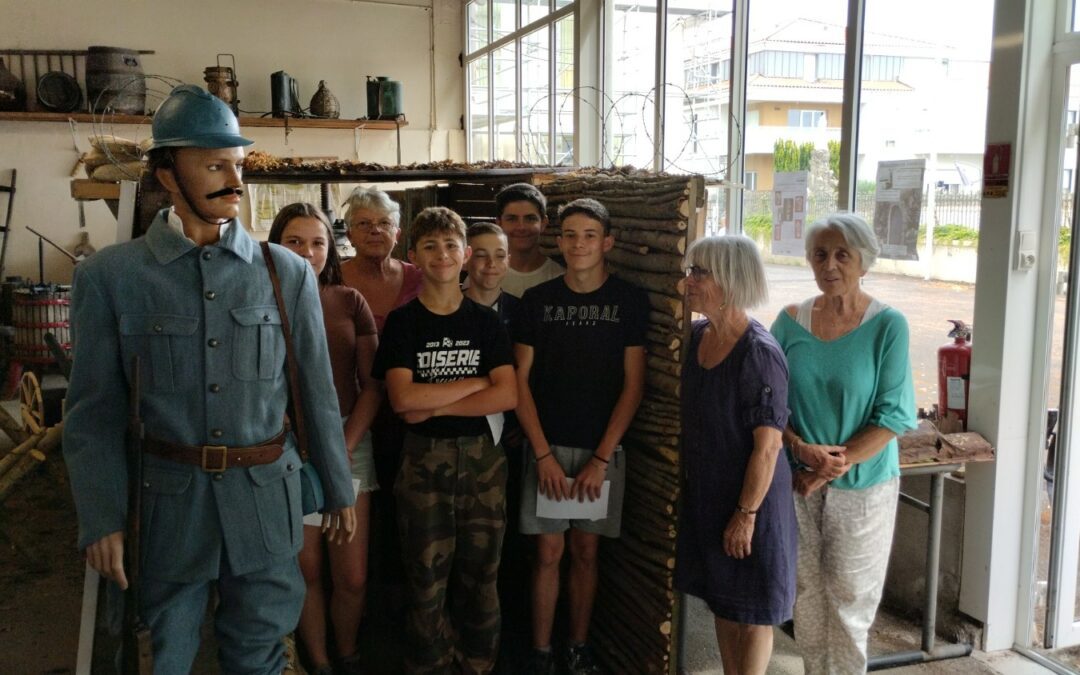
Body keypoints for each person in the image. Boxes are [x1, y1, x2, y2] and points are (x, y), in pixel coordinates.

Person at [62, 84, 355, 672]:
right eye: (214, 164)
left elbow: (316, 393)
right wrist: (101, 516)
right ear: (168, 173)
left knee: (261, 652)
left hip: (266, 504)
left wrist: (339, 488)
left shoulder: (286, 272)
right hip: (167, 509)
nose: (234, 180)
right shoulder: (110, 277)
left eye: (238, 164)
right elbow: (93, 412)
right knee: (166, 655)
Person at [372, 206, 518, 674]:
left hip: (484, 463)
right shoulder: (402, 323)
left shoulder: (486, 322)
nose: (442, 254)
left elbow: (508, 393)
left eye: (451, 245)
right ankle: (430, 662)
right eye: (430, 246)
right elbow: (400, 399)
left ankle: (478, 661)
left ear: (466, 255)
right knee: (425, 577)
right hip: (422, 463)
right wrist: (475, 385)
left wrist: (432, 403)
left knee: (482, 575)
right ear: (413, 254)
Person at [770, 213, 917, 674]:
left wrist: (832, 465)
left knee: (851, 601)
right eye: (819, 254)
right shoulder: (789, 322)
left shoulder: (888, 326)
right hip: (798, 480)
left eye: (842, 254)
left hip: (864, 484)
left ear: (863, 262)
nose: (829, 264)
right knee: (807, 594)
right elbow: (768, 402)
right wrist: (800, 450)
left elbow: (894, 415)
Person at [514, 198, 648, 675]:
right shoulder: (538, 302)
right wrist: (543, 455)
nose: (578, 244)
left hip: (601, 452)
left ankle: (578, 646)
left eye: (589, 235)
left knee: (587, 552)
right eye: (569, 234)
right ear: (559, 240)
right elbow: (519, 383)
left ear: (607, 242)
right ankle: (541, 650)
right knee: (549, 552)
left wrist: (601, 459)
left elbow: (634, 385)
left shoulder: (630, 301)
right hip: (547, 448)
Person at [674, 236, 795, 675]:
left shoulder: (759, 355)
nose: (689, 282)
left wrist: (746, 514)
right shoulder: (698, 336)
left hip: (752, 499)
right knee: (723, 602)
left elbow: (768, 447)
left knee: (752, 611)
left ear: (729, 279)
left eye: (699, 273)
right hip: (710, 493)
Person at [270, 203, 382, 675]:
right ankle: (319, 662)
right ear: (274, 245)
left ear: (330, 249)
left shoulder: (347, 300)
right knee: (306, 570)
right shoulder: (258, 298)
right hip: (282, 448)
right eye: (295, 241)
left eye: (317, 242)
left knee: (351, 574)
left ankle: (348, 653)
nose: (307, 252)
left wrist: (345, 443)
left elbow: (372, 384)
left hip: (348, 440)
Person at [340, 185, 423, 332]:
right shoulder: (332, 280)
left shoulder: (419, 278)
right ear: (349, 236)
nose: (375, 230)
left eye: (384, 223)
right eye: (364, 223)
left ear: (397, 235)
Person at [495, 183, 564, 297]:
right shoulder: (483, 277)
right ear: (499, 224)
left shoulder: (560, 277)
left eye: (530, 219)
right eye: (512, 219)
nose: (521, 227)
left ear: (543, 223)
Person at [463, 222, 519, 331]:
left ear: (508, 261)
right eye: (481, 255)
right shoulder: (448, 310)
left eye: (500, 256)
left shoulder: (521, 311)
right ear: (464, 260)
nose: (491, 263)